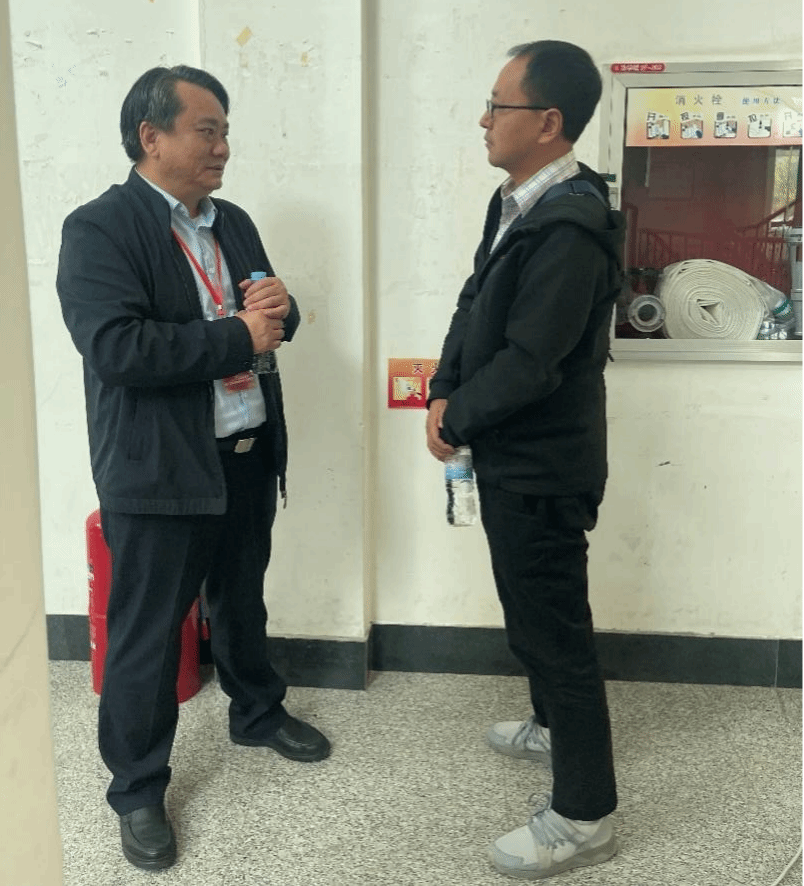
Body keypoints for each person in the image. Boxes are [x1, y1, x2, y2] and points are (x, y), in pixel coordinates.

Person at [56, 65, 330, 871]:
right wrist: (238, 336)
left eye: (225, 132)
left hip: (244, 451)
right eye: (207, 130)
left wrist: (281, 309)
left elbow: (265, 316)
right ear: (152, 136)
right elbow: (118, 348)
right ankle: (137, 789)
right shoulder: (100, 228)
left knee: (241, 599)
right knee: (147, 634)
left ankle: (257, 712)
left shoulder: (231, 221)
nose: (223, 147)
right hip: (159, 470)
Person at [426, 41, 624, 880]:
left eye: (497, 105)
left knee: (555, 634)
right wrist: (442, 389)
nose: (483, 119)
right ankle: (550, 726)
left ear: (547, 122)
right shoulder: (515, 202)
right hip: (512, 455)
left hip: (544, 466)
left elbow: (532, 361)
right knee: (529, 618)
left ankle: (585, 815)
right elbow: (476, 302)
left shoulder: (571, 226)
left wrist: (459, 418)